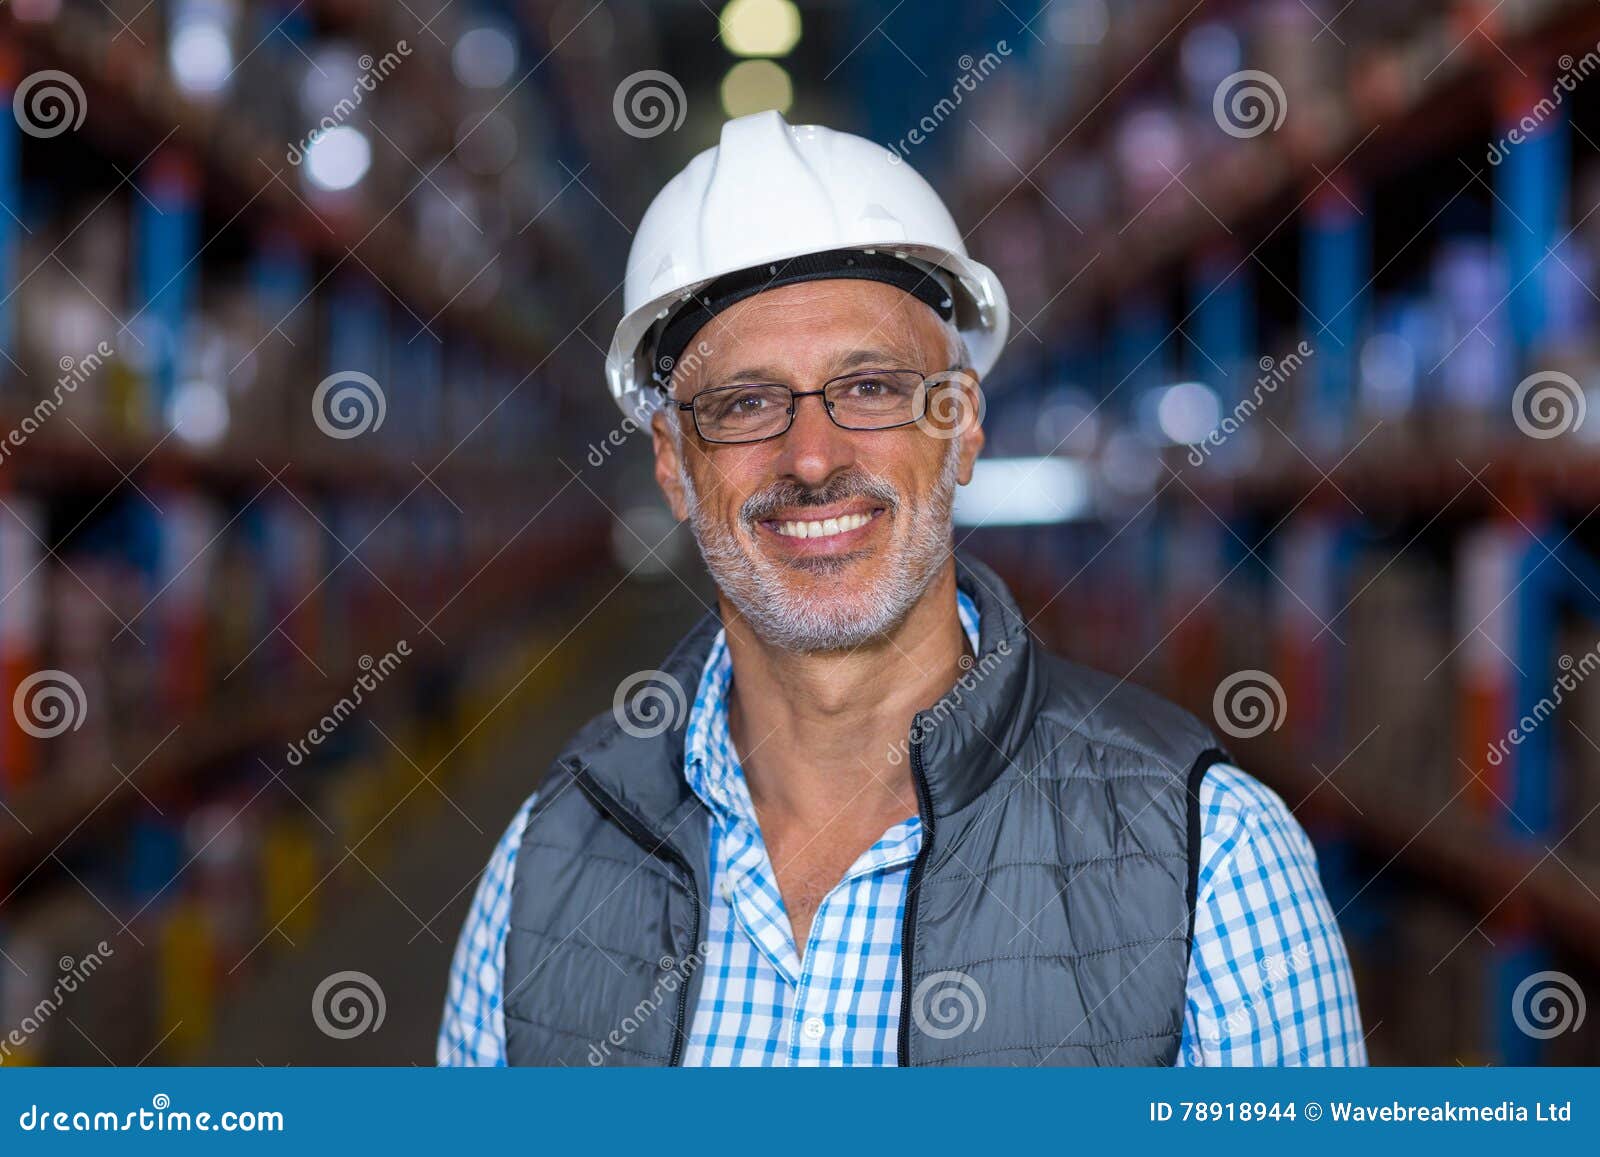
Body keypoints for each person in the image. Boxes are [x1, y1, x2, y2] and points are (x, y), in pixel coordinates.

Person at [438, 110, 1364, 1067]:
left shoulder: (1210, 870)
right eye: (745, 403)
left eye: (872, 386)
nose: (810, 458)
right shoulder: (546, 869)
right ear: (673, 463)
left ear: (961, 423)